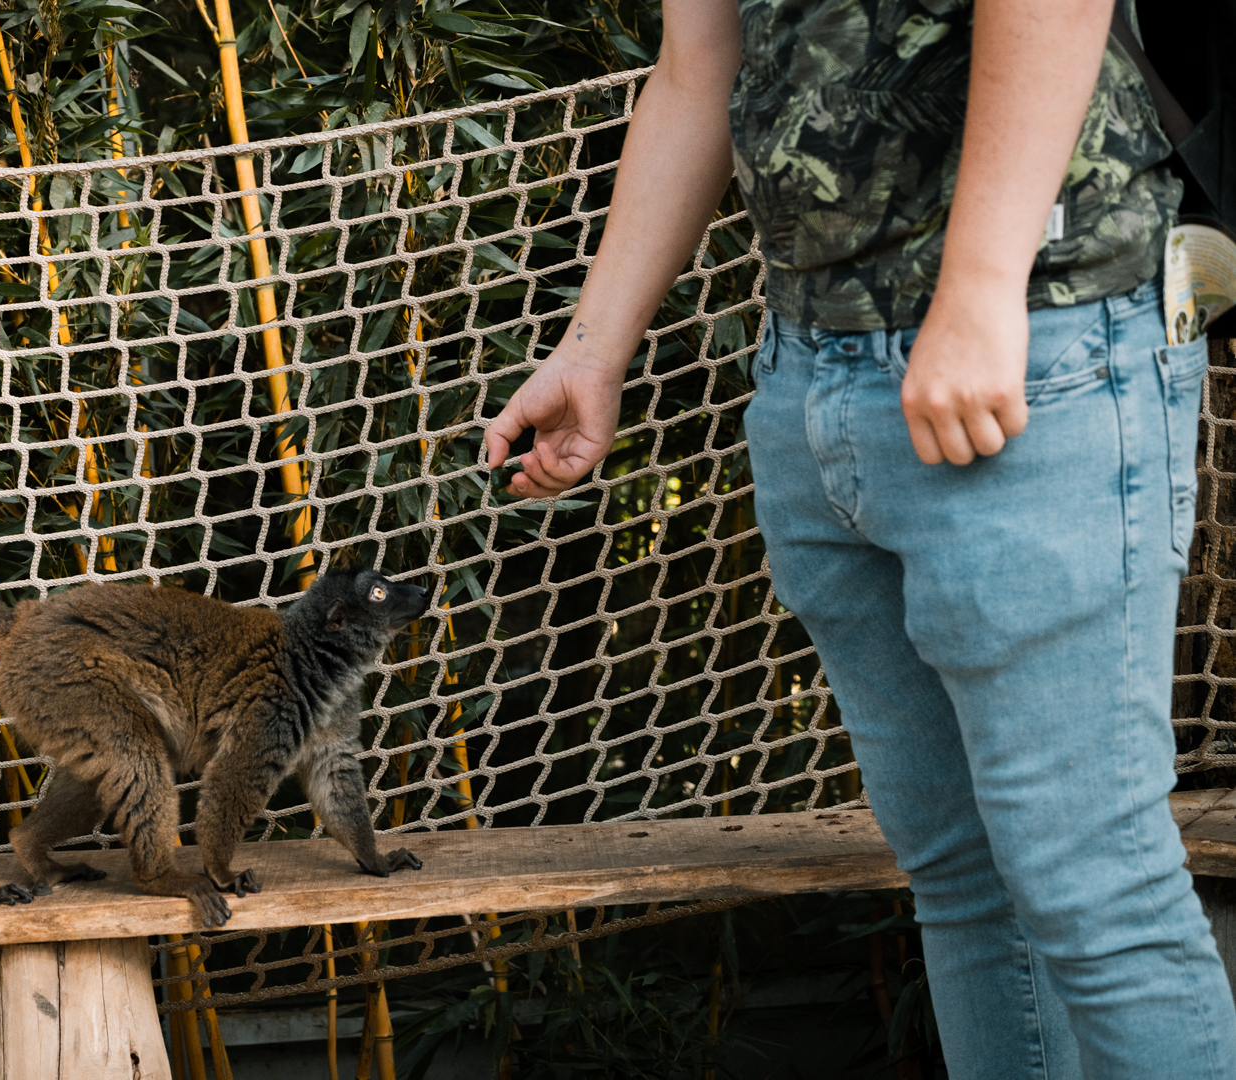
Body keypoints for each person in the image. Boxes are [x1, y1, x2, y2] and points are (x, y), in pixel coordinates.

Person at [483, 1, 1236, 1076]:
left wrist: (978, 289)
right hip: (811, 369)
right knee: (961, 879)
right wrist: (593, 349)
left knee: (1094, 885)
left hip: (1036, 339)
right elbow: (699, 61)